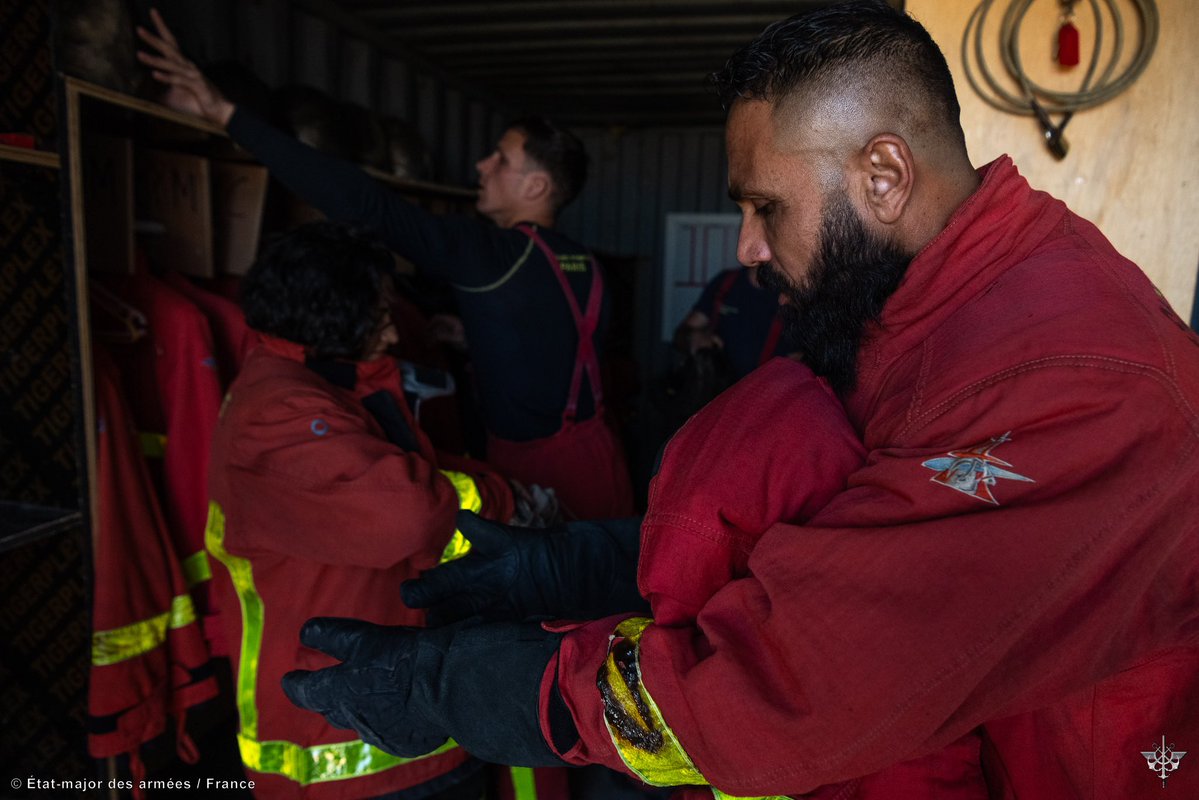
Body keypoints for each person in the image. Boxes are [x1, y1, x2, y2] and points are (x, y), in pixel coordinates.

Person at [290, 2, 1199, 798]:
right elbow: (853, 524)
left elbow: (799, 680)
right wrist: (587, 564)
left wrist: (476, 688)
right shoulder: (931, 301)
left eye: (767, 207)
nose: (750, 249)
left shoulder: (1072, 373)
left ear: (883, 174)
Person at [137, 10, 635, 522]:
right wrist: (476, 333)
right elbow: (553, 336)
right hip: (601, 459)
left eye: (501, 160)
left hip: (546, 474)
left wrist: (227, 116)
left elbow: (369, 207)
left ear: (536, 187)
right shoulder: (582, 261)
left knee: (552, 599)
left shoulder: (494, 254)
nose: (482, 167)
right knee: (612, 594)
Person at [204, 221, 516, 799]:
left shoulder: (317, 385)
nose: (394, 334)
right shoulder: (283, 412)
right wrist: (504, 501)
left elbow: (409, 464)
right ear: (331, 319)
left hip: (384, 691)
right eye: (379, 316)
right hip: (340, 732)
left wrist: (493, 482)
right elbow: (409, 514)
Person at [673, 266, 788, 381]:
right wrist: (694, 338)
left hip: (768, 391)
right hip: (720, 391)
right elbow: (682, 334)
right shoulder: (725, 283)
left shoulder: (790, 295)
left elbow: (798, 361)